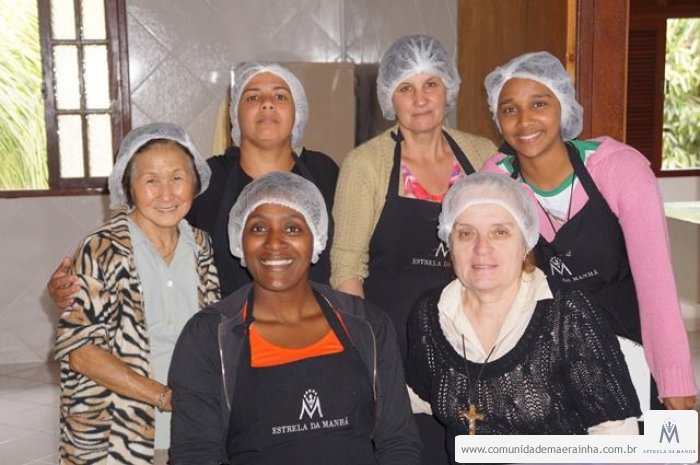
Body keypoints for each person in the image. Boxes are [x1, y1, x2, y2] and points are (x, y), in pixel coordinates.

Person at [479, 51, 696, 410]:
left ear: (562, 106)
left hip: (633, 351)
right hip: (550, 366)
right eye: (510, 109)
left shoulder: (618, 169)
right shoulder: (496, 182)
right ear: (497, 119)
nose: (524, 120)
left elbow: (656, 285)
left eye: (539, 103)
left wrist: (675, 382)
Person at [168, 171, 420, 465]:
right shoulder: (210, 334)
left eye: (292, 228)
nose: (274, 243)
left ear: (316, 238)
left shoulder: (367, 324)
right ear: (239, 240)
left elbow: (398, 442)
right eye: (259, 228)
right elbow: (195, 454)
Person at [330, 35, 496, 463]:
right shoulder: (365, 165)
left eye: (430, 84)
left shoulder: (482, 154)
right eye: (406, 88)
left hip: (475, 348)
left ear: (449, 88)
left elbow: (507, 248)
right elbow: (347, 266)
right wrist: (372, 361)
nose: (420, 99)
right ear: (390, 97)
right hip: (396, 353)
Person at [48, 61, 339, 303]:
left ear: (297, 111)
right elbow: (146, 235)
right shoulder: (208, 178)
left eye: (280, 96)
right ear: (235, 115)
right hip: (226, 332)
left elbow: (350, 252)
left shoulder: (324, 171)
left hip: (315, 322)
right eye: (252, 97)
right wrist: (85, 281)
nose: (266, 104)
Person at [406, 173, 642, 462]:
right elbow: (423, 396)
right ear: (448, 241)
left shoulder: (567, 313)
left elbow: (616, 435)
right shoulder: (430, 313)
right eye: (466, 233)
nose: (481, 248)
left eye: (499, 232)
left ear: (526, 242)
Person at [54, 123, 220, 464]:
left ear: (194, 182)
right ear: (129, 186)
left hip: (192, 429)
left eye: (177, 177)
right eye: (151, 180)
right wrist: (164, 397)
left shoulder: (201, 246)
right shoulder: (101, 248)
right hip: (117, 431)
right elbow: (80, 353)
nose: (166, 194)